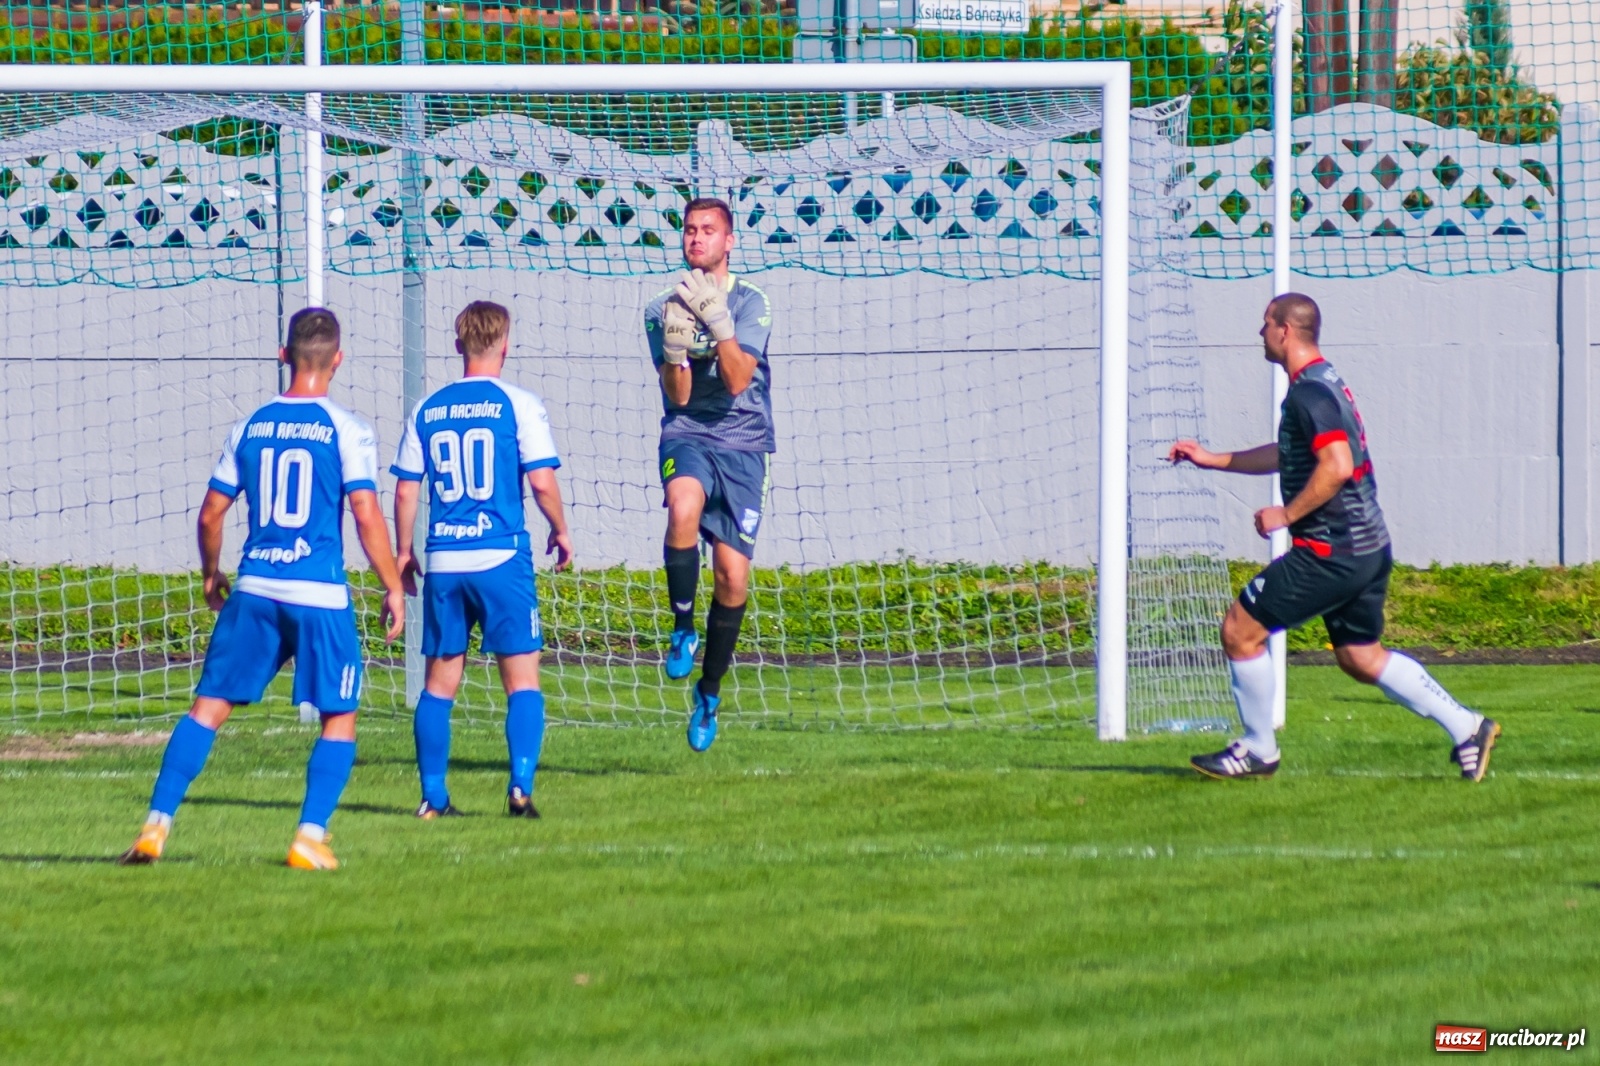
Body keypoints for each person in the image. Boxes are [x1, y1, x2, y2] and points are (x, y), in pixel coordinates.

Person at [1169, 293, 1500, 781]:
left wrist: (1287, 513)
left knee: (1240, 631)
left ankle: (1259, 749)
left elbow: (1338, 465)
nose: (1259, 334)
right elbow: (1292, 453)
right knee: (1360, 658)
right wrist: (1214, 458)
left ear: (1285, 330)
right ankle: (1467, 725)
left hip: (1331, 551)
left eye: (1264, 324)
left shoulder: (1311, 394)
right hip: (1367, 546)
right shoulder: (1325, 383)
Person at [118, 308, 405, 869]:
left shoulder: (249, 425)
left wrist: (210, 571)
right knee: (339, 716)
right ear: (338, 360)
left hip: (254, 588)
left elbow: (210, 514)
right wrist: (391, 585)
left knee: (207, 709)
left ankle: (155, 827)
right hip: (318, 594)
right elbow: (367, 513)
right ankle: (309, 837)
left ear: (284, 355)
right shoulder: (348, 428)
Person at [392, 300, 573, 819]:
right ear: (506, 344)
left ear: (458, 347)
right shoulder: (518, 404)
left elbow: (407, 491)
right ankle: (519, 786)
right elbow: (540, 480)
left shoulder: (427, 407)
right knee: (522, 681)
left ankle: (433, 798)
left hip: (446, 560)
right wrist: (560, 531)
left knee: (439, 684)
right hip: (501, 557)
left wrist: (404, 553)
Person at [642, 197, 775, 752]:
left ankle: (710, 691)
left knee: (732, 577)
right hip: (690, 432)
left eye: (708, 231)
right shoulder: (660, 306)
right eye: (690, 230)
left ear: (729, 242)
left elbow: (740, 378)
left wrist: (718, 323)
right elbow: (677, 396)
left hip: (745, 442)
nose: (697, 239)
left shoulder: (751, 301)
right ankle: (680, 626)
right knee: (683, 508)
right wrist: (675, 351)